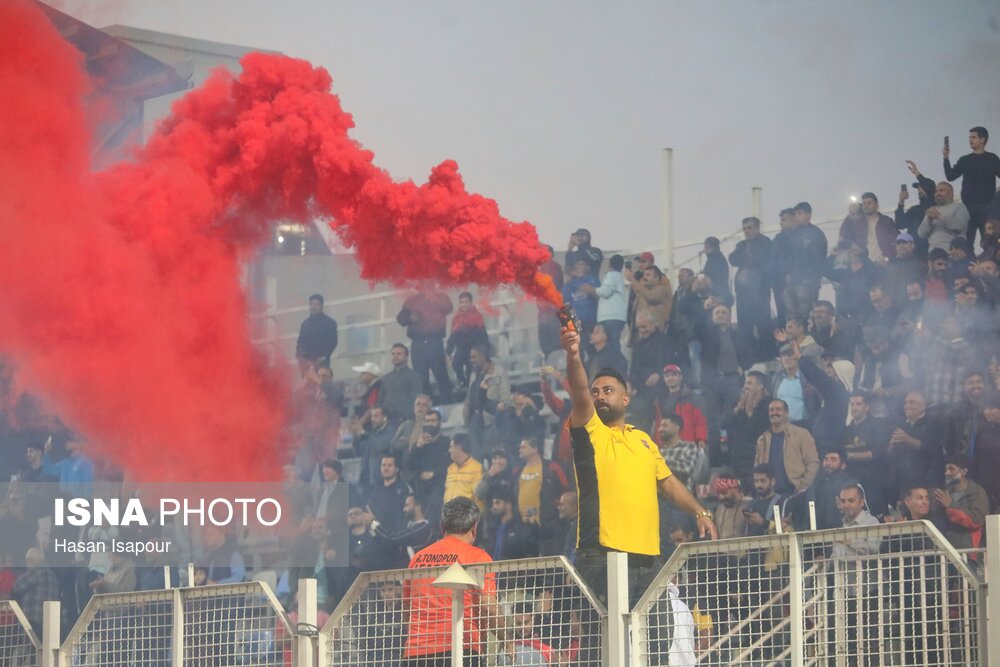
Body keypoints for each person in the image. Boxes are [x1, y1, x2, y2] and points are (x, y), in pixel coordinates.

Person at [560, 321, 716, 606]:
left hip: (648, 556)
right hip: (603, 554)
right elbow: (579, 393)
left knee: (657, 630)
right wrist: (573, 355)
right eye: (596, 392)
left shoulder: (643, 439)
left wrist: (700, 512)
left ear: (626, 398)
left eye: (608, 390)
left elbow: (667, 482)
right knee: (608, 631)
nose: (599, 396)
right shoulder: (590, 431)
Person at [403, 497, 502, 666]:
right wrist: (507, 640)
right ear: (474, 527)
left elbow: (407, 608)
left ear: (443, 526)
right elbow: (489, 608)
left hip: (416, 652)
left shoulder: (417, 559)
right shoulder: (478, 557)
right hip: (462, 648)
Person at [943, 126, 1000, 249]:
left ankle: (990, 259)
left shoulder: (992, 159)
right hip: (968, 206)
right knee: (967, 241)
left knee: (989, 240)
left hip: (987, 206)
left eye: (973, 137)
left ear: (982, 139)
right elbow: (950, 176)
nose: (970, 140)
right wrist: (946, 158)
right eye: (970, 137)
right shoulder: (965, 160)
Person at [397, 289, 454, 403]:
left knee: (441, 375)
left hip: (434, 341)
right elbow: (401, 318)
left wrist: (434, 299)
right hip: (418, 342)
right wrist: (409, 318)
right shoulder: (412, 300)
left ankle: (447, 403)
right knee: (421, 377)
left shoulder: (440, 296)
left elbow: (448, 308)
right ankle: (425, 406)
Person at [728, 216, 773, 357]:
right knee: (744, 326)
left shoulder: (765, 242)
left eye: (750, 227)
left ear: (757, 228)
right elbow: (732, 258)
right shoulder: (741, 245)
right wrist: (749, 259)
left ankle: (767, 355)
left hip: (760, 291)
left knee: (763, 324)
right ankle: (748, 357)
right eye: (745, 228)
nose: (747, 231)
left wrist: (746, 260)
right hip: (743, 293)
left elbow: (761, 258)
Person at [753, 399, 819, 495]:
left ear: (786, 413)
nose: (774, 413)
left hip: (795, 493)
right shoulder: (762, 440)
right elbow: (758, 467)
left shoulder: (802, 434)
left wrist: (802, 486)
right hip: (771, 495)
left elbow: (813, 463)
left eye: (778, 409)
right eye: (771, 410)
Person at [723, 370, 771, 483]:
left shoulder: (769, 406)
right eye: (745, 383)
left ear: (760, 387)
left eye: (749, 383)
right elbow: (723, 424)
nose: (745, 387)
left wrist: (750, 413)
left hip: (758, 460)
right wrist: (737, 409)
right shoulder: (739, 404)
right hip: (738, 459)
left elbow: (757, 432)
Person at [463, 344, 511, 454]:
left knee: (488, 452)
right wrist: (465, 416)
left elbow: (506, 397)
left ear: (483, 356)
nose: (471, 360)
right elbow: (469, 396)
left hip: (491, 420)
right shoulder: (473, 374)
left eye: (474, 357)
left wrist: (500, 412)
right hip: (473, 419)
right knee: (475, 453)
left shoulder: (498, 372)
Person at [936, 455, 989, 555]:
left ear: (964, 471)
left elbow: (976, 521)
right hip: (948, 552)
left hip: (970, 552)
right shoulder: (945, 493)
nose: (946, 473)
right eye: (946, 469)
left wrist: (950, 506)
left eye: (951, 469)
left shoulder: (977, 492)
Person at [446, 292, 489, 390]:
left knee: (471, 369)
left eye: (466, 302)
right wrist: (449, 351)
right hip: (461, 348)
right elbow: (453, 336)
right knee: (456, 364)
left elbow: (482, 333)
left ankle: (470, 388)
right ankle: (463, 381)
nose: (464, 304)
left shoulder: (477, 316)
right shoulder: (456, 319)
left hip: (473, 348)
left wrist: (485, 349)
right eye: (461, 302)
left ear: (471, 303)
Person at [838, 192, 896, 264]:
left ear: (877, 206)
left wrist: (890, 259)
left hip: (884, 265)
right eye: (864, 203)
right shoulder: (856, 223)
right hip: (863, 265)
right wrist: (850, 216)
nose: (866, 206)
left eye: (869, 203)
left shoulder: (886, 221)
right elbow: (843, 235)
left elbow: (896, 241)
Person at [483, 487, 538, 560]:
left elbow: (529, 557)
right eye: (493, 503)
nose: (493, 507)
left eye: (497, 503)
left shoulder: (521, 530)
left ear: (508, 505)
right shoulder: (493, 530)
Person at [13, 548, 59, 634]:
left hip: (33, 619)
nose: (27, 563)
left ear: (31, 560)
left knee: (31, 642)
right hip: (48, 621)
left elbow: (17, 585)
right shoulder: (51, 573)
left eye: (28, 560)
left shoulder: (38, 570)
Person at [917, 181, 970, 253]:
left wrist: (939, 216)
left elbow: (959, 226)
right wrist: (928, 221)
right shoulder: (932, 209)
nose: (938, 193)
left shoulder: (959, 206)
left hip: (952, 253)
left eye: (941, 191)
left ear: (951, 194)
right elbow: (921, 234)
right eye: (936, 191)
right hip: (933, 254)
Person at [367, 454, 412, 537]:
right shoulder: (376, 489)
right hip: (379, 535)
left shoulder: (404, 488)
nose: (386, 468)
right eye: (383, 465)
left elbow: (409, 511)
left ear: (397, 469)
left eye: (390, 465)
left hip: (399, 535)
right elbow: (370, 510)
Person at [378, 343, 424, 423]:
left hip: (405, 420)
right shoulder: (386, 378)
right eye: (393, 354)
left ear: (406, 357)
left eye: (399, 354)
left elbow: (416, 400)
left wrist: (408, 417)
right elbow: (380, 401)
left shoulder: (414, 376)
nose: (395, 356)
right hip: (387, 421)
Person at [594, 254, 628, 353]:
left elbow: (605, 291)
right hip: (617, 316)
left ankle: (614, 361)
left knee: (610, 345)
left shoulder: (612, 275)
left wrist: (592, 290)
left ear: (609, 264)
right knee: (614, 343)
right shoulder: (620, 277)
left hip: (610, 316)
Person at [443, 434, 485, 509]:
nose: (449, 450)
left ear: (459, 448)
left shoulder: (476, 468)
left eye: (451, 447)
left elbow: (478, 497)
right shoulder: (450, 469)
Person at [296, 293, 338, 367]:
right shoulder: (305, 324)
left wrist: (323, 356)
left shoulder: (329, 323)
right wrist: (300, 357)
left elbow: (332, 342)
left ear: (322, 306)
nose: (314, 307)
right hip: (306, 363)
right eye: (311, 304)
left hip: (321, 363)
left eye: (317, 304)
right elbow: (300, 342)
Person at [702, 236, 731, 301]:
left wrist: (710, 284)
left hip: (717, 295)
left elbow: (718, 279)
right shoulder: (715, 258)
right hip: (719, 293)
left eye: (705, 246)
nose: (704, 249)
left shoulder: (716, 259)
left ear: (708, 246)